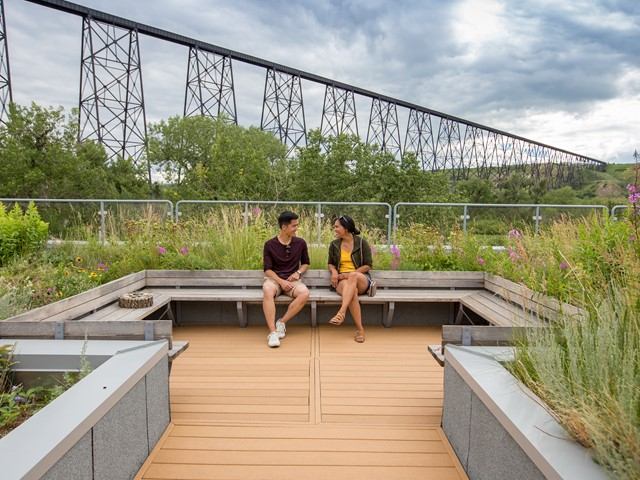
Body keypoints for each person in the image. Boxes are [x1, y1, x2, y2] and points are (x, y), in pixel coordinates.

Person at [262, 211, 310, 348]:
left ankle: (281, 322)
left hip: (293, 281)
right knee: (267, 289)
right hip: (275, 280)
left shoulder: (300, 243)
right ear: (284, 227)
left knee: (304, 293)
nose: (297, 228)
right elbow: (267, 270)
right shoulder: (270, 245)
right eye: (294, 226)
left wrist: (298, 272)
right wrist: (281, 282)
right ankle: (272, 333)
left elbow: (306, 263)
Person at [327, 215, 376, 343]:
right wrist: (333, 272)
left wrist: (349, 274)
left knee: (353, 276)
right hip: (342, 282)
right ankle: (360, 329)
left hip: (360, 278)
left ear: (346, 228)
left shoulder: (361, 243)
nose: (335, 229)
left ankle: (341, 312)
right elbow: (330, 263)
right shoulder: (334, 244)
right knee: (352, 291)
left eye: (337, 227)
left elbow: (367, 266)